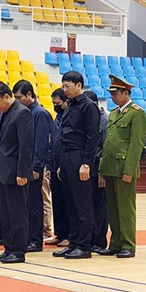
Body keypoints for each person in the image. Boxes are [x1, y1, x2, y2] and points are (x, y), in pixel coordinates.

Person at [98, 75, 146, 258]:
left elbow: (136, 144)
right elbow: (108, 143)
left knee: (126, 209)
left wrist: (129, 170)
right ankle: (116, 242)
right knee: (113, 208)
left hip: (123, 168)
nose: (112, 97)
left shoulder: (137, 113)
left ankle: (128, 244)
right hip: (110, 167)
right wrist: (102, 168)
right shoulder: (115, 113)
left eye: (115, 93)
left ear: (126, 92)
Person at [53, 71, 100, 260]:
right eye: (63, 86)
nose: (65, 90)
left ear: (79, 85)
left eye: (68, 87)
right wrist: (61, 164)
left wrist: (86, 163)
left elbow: (92, 137)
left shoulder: (88, 107)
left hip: (80, 157)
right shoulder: (69, 106)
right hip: (66, 157)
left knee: (82, 204)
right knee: (70, 202)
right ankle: (73, 242)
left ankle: (84, 245)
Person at [0, 82, 34, 264]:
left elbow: (26, 146)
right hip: (3, 172)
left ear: (7, 96)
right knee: (5, 213)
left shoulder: (22, 113)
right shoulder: (3, 113)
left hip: (16, 173)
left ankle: (18, 250)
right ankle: (8, 247)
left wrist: (22, 172)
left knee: (17, 213)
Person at [13, 80, 52, 253]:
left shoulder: (39, 113)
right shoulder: (23, 112)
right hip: (24, 166)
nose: (17, 100)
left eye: (19, 97)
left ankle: (36, 240)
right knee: (25, 204)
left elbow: (41, 143)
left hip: (33, 167)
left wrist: (36, 167)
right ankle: (28, 237)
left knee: (34, 204)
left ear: (30, 94)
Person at [45, 88, 70, 247]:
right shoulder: (57, 117)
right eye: (53, 103)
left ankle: (69, 235)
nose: (55, 106)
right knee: (57, 202)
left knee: (68, 202)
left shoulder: (70, 116)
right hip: (54, 164)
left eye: (58, 103)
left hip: (65, 165)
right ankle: (60, 233)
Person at [85, 90, 109, 252]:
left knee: (100, 206)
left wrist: (102, 171)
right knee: (91, 205)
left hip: (99, 168)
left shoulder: (104, 120)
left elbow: (106, 147)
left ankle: (100, 241)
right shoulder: (90, 119)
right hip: (90, 168)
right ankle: (92, 238)